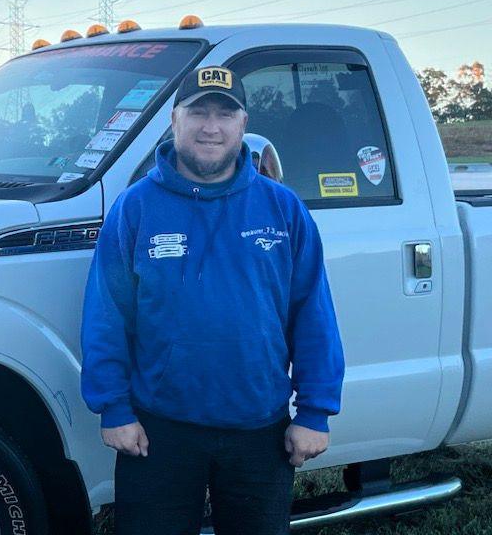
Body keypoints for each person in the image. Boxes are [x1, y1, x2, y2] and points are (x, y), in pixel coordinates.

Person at [80, 66, 345, 535]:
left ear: (243, 124)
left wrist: (315, 411)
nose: (211, 126)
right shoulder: (136, 208)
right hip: (157, 430)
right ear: (174, 119)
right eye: (198, 111)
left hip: (259, 430)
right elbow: (107, 314)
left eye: (225, 113)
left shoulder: (282, 209)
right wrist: (114, 409)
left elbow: (313, 315)